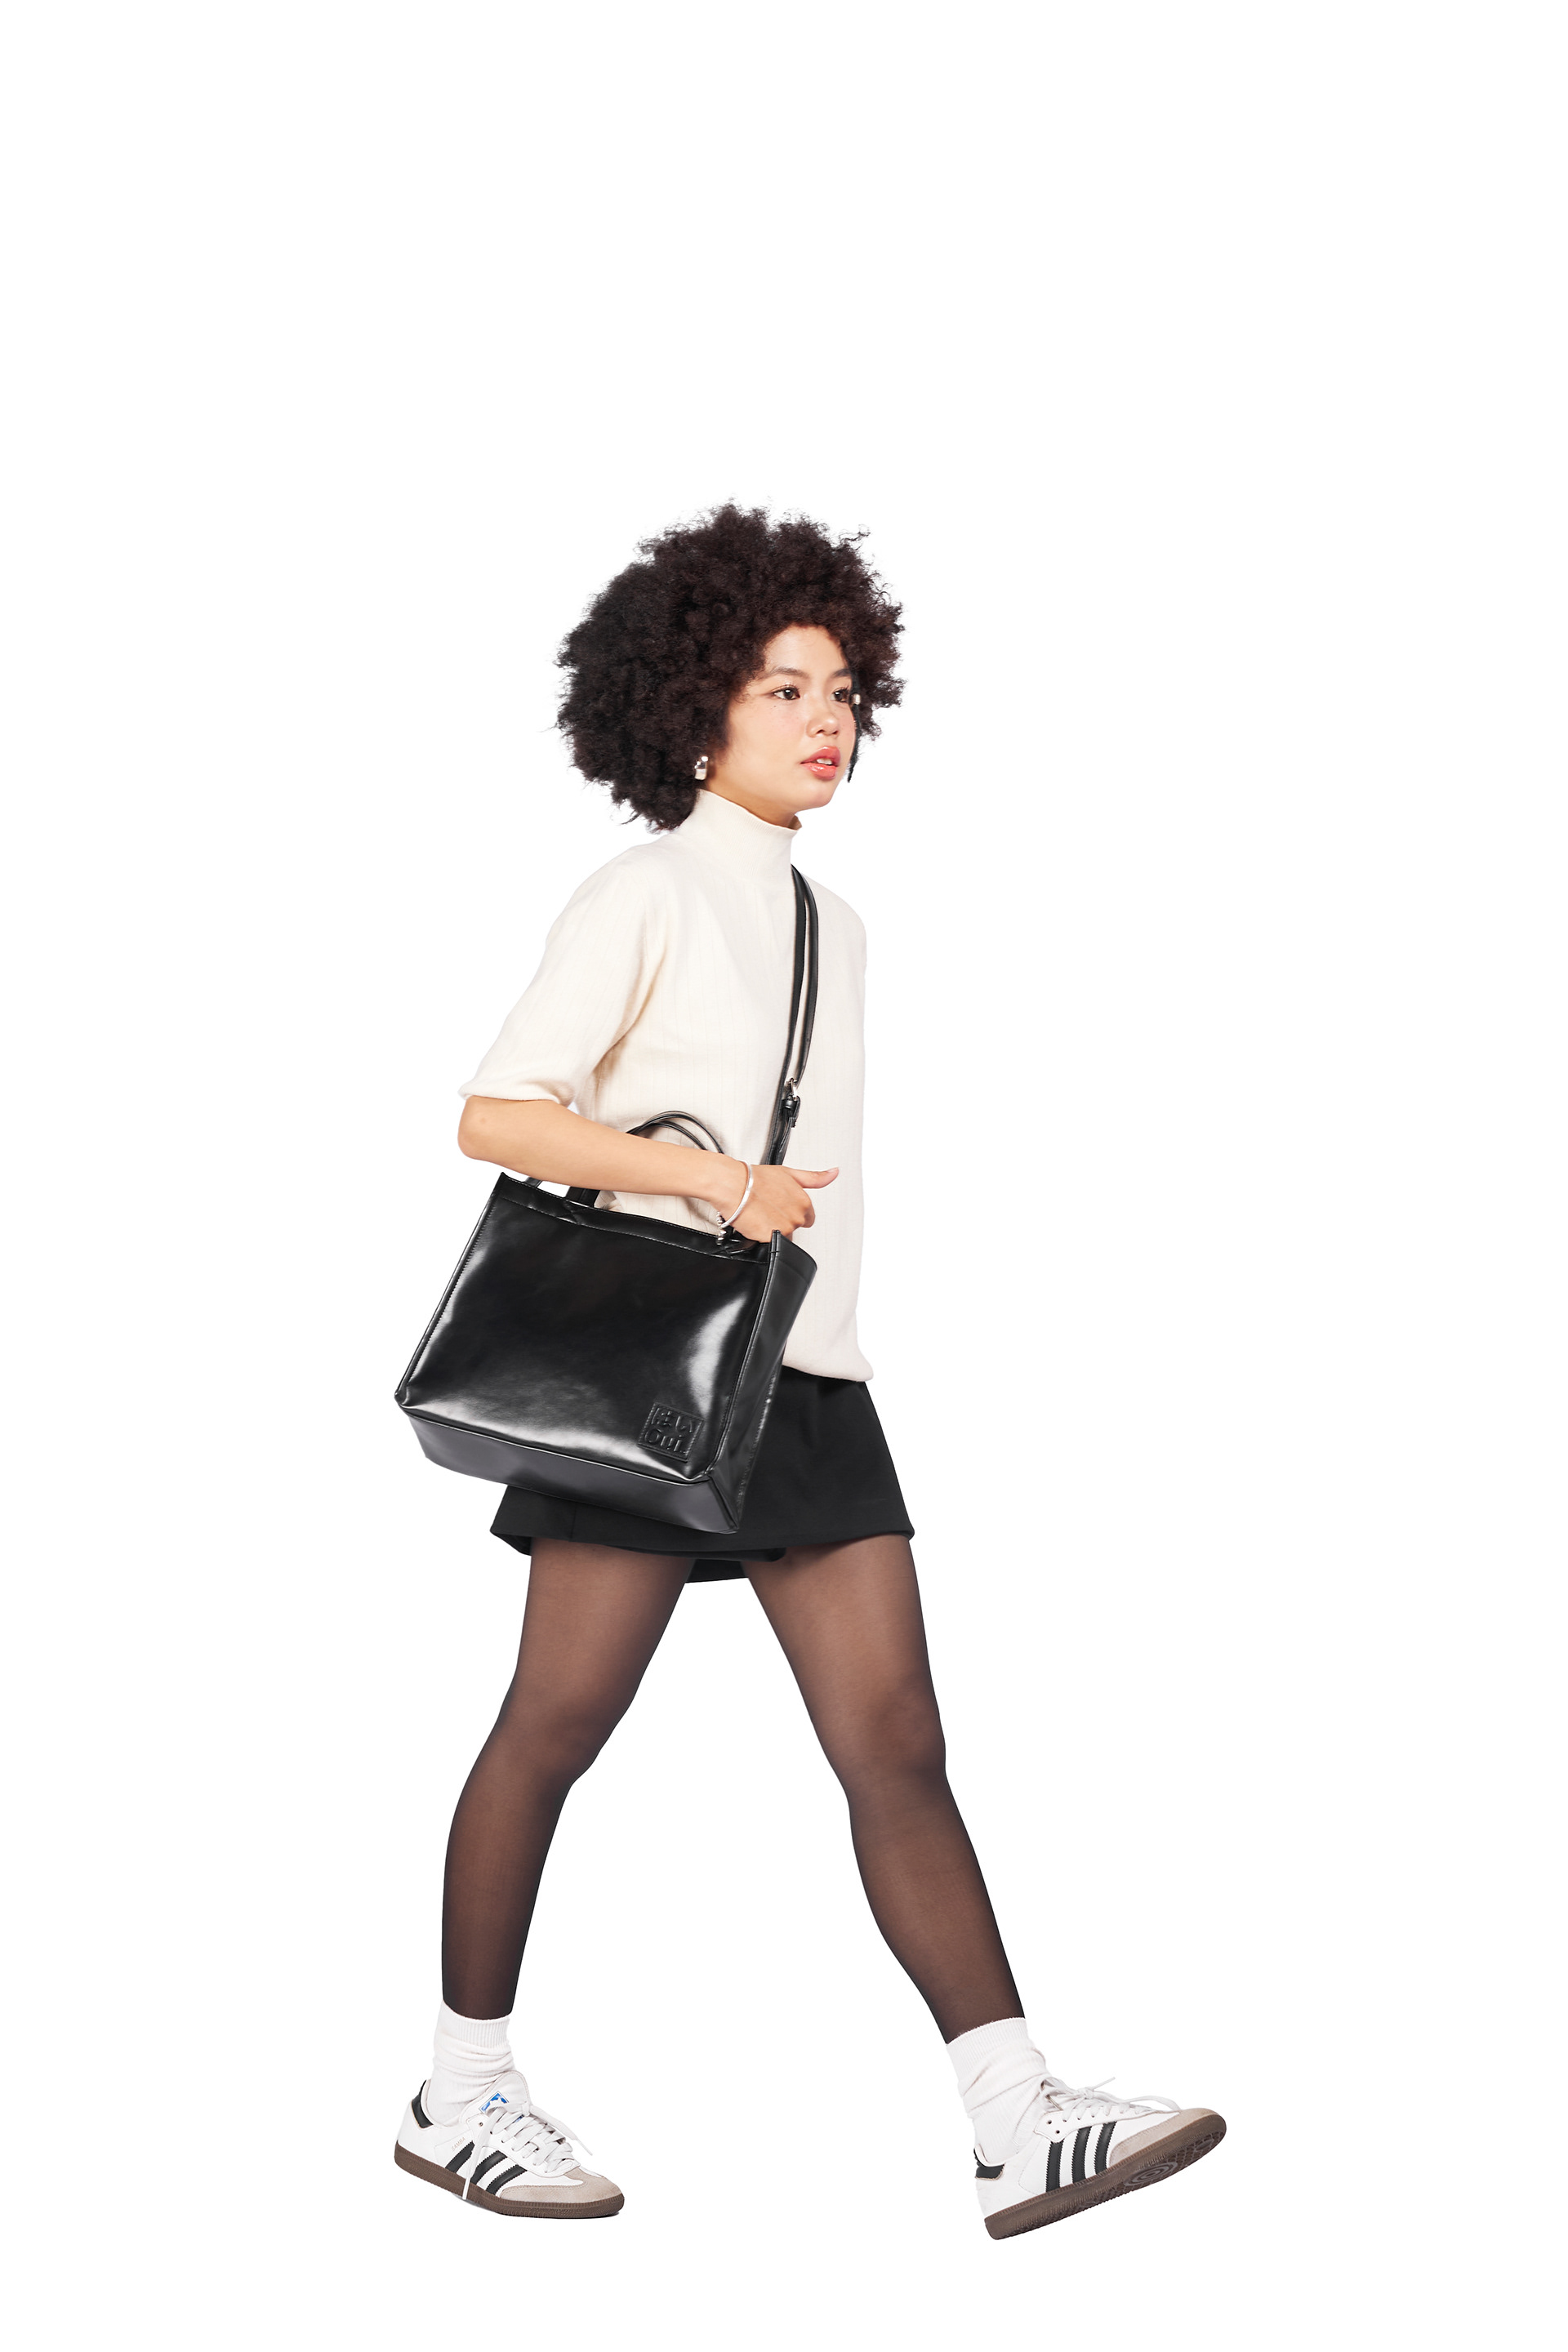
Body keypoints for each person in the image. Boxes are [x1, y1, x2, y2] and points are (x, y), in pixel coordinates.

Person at [392, 506, 1224, 2238]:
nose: (826, 720)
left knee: (898, 1742)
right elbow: (495, 1113)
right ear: (692, 705)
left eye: (843, 690)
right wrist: (714, 1185)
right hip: (652, 1375)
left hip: (810, 1380)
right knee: (555, 1725)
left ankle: (1015, 2117)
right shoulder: (641, 891)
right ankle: (460, 2092)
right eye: (784, 688)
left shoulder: (838, 922)